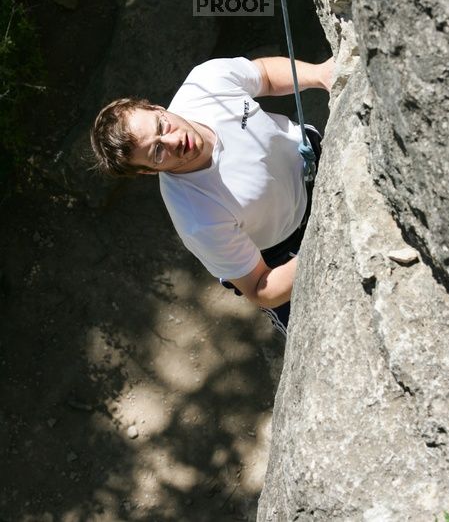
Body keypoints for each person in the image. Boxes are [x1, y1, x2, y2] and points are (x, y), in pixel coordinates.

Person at [90, 55, 333, 337]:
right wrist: (322, 249)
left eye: (161, 126)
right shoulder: (196, 218)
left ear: (156, 108)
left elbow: (264, 75)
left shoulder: (205, 83)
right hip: (281, 253)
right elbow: (259, 287)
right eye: (157, 152)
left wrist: (320, 74)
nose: (173, 142)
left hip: (313, 161)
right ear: (148, 173)